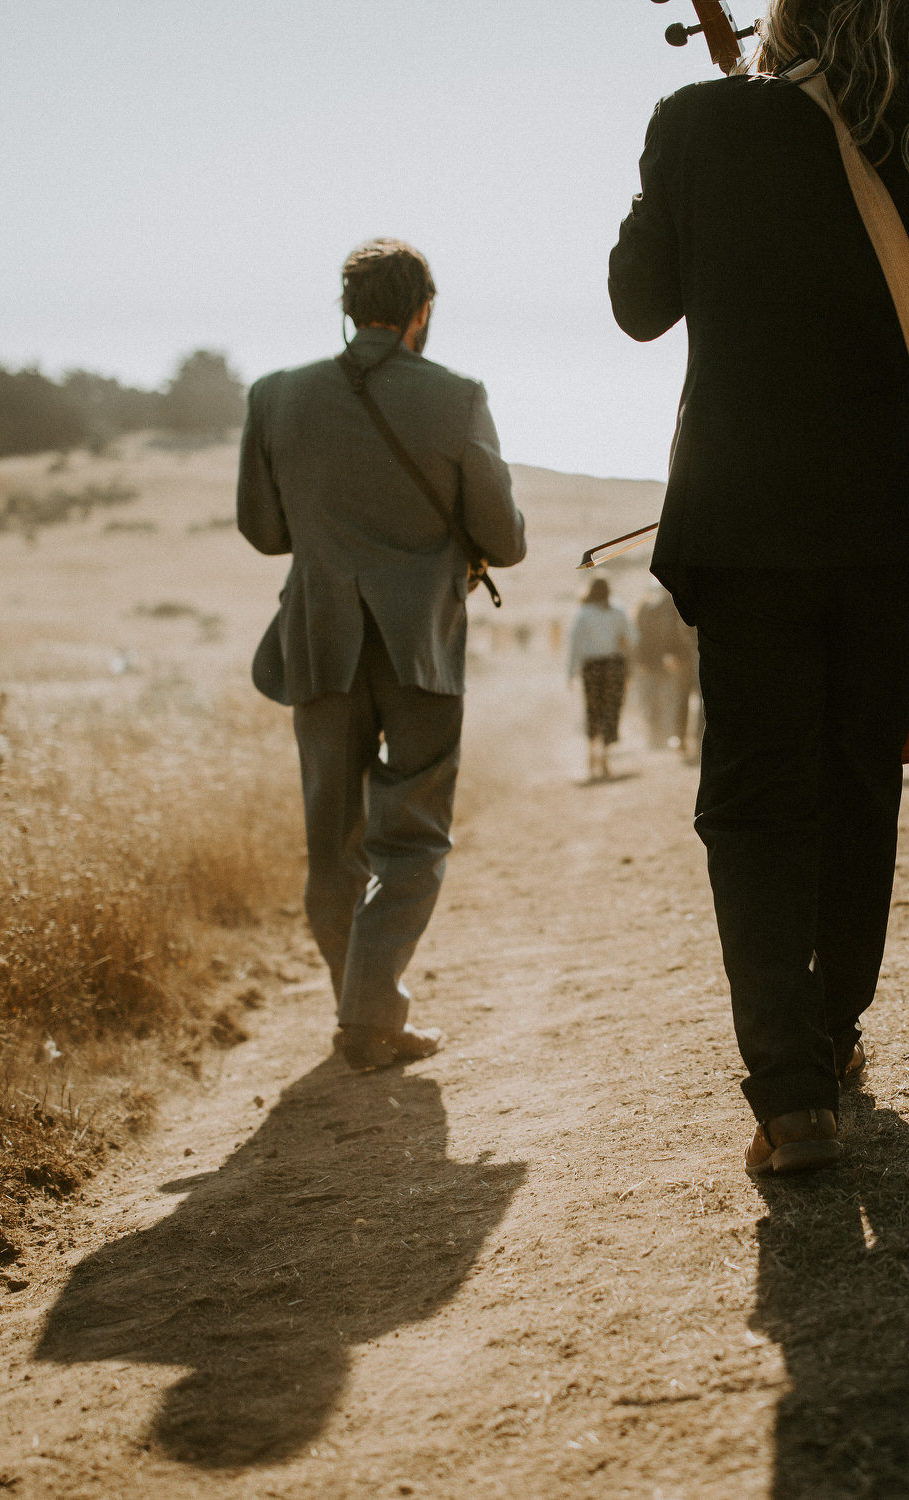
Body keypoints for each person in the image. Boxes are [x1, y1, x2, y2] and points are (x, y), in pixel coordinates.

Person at [610, 0, 909, 1175]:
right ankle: (834, 1034)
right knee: (862, 779)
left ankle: (792, 1093)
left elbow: (638, 304)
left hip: (747, 521)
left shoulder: (700, 119)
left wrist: (680, 155)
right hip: (890, 522)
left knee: (758, 798)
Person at [238, 238, 528, 1071]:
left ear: (346, 308)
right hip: (419, 650)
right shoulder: (459, 397)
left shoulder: (274, 396)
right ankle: (370, 1017)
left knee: (333, 842)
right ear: (422, 313)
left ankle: (359, 1013)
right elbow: (502, 542)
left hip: (318, 643)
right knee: (415, 836)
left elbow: (263, 531)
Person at [566, 577, 635, 781]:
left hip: (591, 667)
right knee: (611, 708)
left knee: (593, 708)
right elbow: (633, 637)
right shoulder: (618, 610)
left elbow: (574, 644)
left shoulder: (583, 613)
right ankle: (604, 756)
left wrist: (570, 672)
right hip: (614, 665)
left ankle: (591, 752)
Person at [632, 582, 695, 753]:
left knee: (673, 697)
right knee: (678, 696)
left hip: (672, 657)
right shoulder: (673, 603)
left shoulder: (660, 605)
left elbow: (660, 633)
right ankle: (677, 736)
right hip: (682, 656)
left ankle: (674, 736)